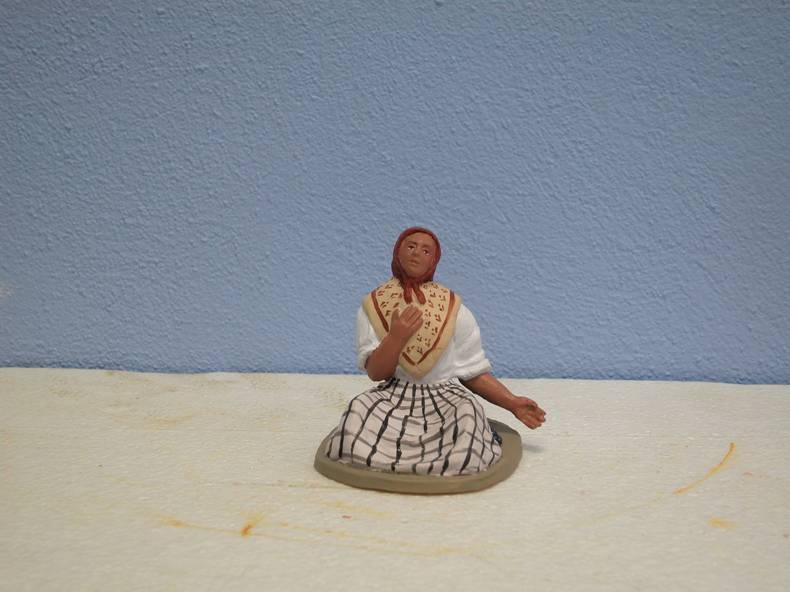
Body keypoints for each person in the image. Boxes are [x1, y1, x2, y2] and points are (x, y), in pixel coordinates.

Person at [324, 227, 546, 477]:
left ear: (434, 260)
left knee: (468, 414)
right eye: (410, 246)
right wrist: (396, 338)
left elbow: (472, 373)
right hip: (394, 397)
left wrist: (512, 402)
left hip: (444, 397)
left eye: (426, 250)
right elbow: (376, 373)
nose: (416, 253)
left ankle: (448, 464)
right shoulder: (374, 304)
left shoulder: (453, 308)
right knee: (357, 412)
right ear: (397, 252)